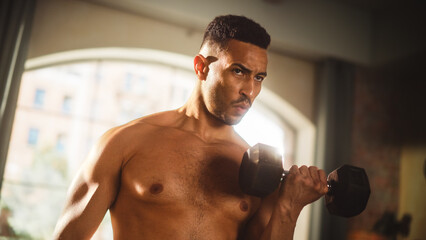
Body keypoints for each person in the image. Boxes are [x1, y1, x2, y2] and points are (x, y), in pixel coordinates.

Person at [53, 15, 328, 240]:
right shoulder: (126, 143)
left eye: (259, 78)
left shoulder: (260, 171)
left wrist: (289, 206)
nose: (250, 90)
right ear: (201, 67)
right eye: (238, 71)